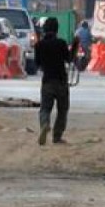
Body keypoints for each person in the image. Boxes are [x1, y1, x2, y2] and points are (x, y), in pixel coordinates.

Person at [35, 16, 74, 146]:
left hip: (47, 81)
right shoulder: (61, 43)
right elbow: (69, 59)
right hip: (61, 81)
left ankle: (45, 124)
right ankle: (57, 137)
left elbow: (37, 64)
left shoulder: (39, 45)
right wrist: (75, 45)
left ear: (45, 29)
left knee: (45, 108)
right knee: (62, 110)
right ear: (57, 30)